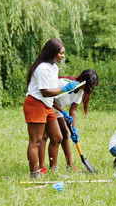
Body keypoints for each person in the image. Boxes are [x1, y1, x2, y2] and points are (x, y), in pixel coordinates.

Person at [23, 38, 79, 179]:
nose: (63, 56)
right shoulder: (42, 68)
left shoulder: (54, 67)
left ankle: (53, 171)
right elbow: (45, 91)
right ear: (52, 52)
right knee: (35, 141)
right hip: (36, 104)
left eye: (63, 53)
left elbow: (51, 91)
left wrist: (62, 111)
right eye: (61, 53)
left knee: (57, 137)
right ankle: (34, 174)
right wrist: (64, 88)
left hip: (47, 105)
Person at [38, 69, 99, 173]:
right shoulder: (64, 84)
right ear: (84, 82)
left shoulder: (80, 91)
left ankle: (70, 165)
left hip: (56, 109)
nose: (91, 90)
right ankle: (41, 167)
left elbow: (73, 110)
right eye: (91, 86)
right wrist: (63, 112)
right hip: (44, 105)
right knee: (45, 136)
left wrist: (74, 128)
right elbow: (49, 98)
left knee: (66, 133)